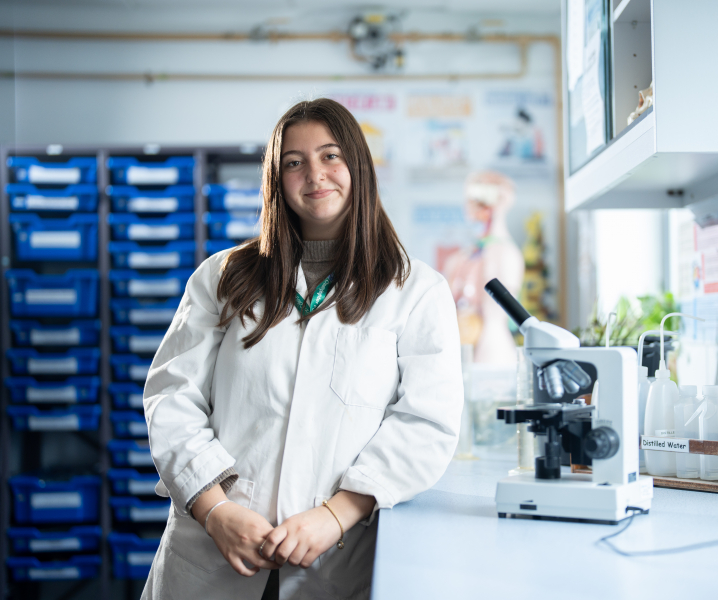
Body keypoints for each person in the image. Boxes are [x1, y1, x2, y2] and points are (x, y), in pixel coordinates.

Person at [141, 98, 463, 600]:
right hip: (212, 554)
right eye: (294, 162)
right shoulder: (223, 276)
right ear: (276, 178)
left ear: (357, 165)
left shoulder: (415, 290)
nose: (315, 174)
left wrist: (335, 516)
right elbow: (171, 396)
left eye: (331, 156)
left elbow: (426, 422)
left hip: (336, 559)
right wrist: (216, 510)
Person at [441, 170, 524, 365]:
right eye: (469, 199)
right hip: (463, 355)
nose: (470, 207)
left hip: (492, 358)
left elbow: (494, 314)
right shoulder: (463, 256)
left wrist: (498, 216)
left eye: (480, 199)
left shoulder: (504, 253)